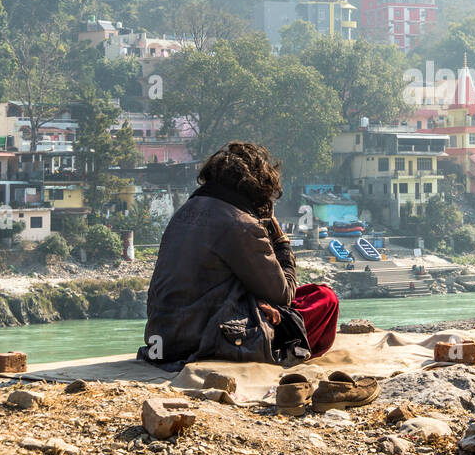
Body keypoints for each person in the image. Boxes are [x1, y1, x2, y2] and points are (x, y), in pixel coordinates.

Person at [142, 141, 339, 366]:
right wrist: (281, 242)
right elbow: (283, 295)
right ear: (257, 188)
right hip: (206, 340)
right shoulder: (241, 223)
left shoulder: (184, 213)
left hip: (162, 340)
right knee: (325, 299)